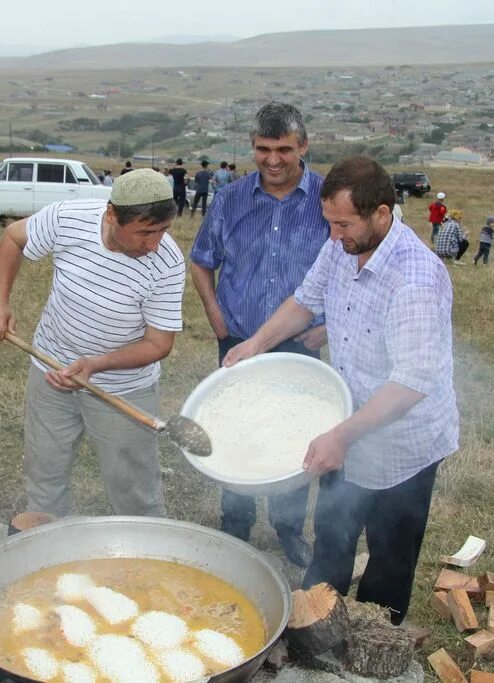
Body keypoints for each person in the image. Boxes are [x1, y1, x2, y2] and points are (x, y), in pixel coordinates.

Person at [224, 155, 458, 626]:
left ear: (382, 214)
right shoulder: (342, 246)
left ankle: (374, 636)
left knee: (390, 556)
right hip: (347, 423)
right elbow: (304, 302)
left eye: (344, 224)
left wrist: (342, 436)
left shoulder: (414, 280)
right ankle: (315, 623)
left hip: (402, 446)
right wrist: (256, 342)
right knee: (332, 533)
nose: (334, 235)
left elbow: (412, 383)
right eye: (329, 223)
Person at [0, 169, 185, 518]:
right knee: (44, 476)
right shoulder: (69, 218)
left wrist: (94, 365)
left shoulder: (167, 263)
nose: (153, 244)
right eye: (145, 232)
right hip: (51, 371)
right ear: (111, 216)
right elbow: (15, 238)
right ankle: (52, 555)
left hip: (121, 389)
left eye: (163, 231)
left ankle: (144, 562)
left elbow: (157, 344)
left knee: (134, 493)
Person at [190, 102, 330, 568]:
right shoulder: (230, 198)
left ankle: (289, 526)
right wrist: (215, 316)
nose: (272, 160)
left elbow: (352, 269)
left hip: (301, 344)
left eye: (284, 150)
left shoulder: (328, 200)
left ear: (303, 146)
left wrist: (327, 326)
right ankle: (235, 526)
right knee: (236, 431)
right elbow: (203, 259)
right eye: (262, 149)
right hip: (239, 340)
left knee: (295, 437)